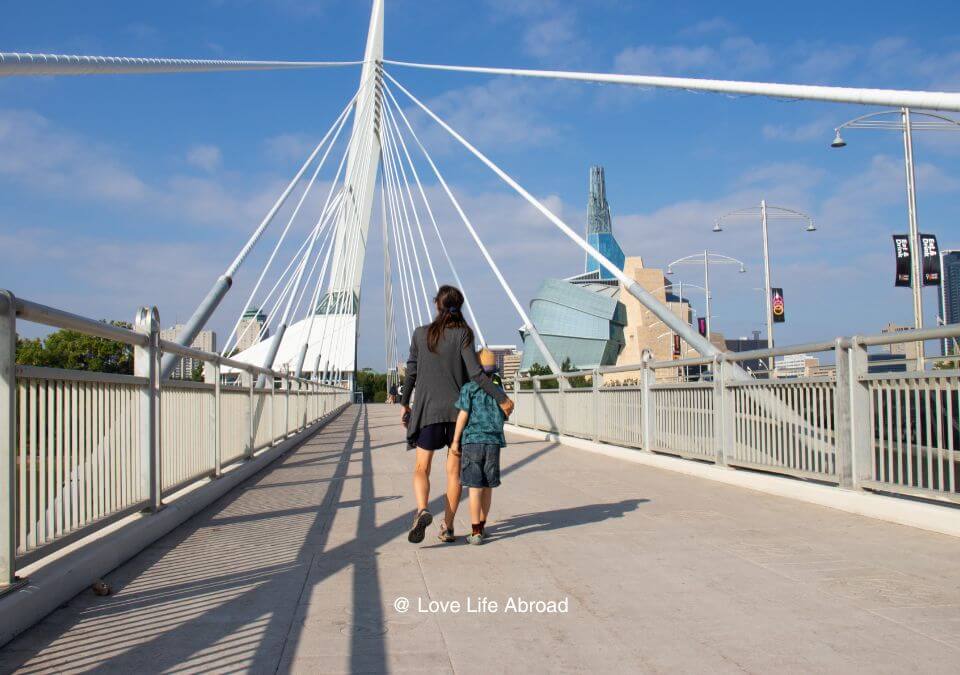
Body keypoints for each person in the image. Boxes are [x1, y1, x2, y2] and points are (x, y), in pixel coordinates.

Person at [401, 285, 514, 544]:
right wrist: (502, 398)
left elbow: (411, 372)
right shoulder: (463, 334)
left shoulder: (420, 334)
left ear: (436, 305)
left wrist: (405, 403)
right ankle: (447, 527)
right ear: (458, 306)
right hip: (457, 415)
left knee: (421, 467)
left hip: (427, 411)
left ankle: (422, 509)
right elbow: (476, 374)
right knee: (454, 474)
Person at [450, 348, 506, 545]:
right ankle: (482, 525)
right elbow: (505, 412)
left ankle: (475, 532)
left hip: (472, 441)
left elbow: (463, 415)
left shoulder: (469, 388)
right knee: (487, 486)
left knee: (474, 487)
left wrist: (455, 440)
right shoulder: (499, 389)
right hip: (493, 442)